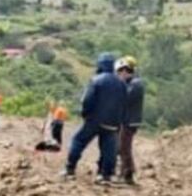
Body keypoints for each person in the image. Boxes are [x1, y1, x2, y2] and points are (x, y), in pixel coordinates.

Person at [62, 54, 127, 185]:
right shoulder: (122, 83)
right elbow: (124, 104)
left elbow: (87, 100)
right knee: (109, 150)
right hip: (112, 123)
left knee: (78, 141)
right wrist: (119, 122)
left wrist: (86, 114)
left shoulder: (96, 80)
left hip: (94, 120)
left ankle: (70, 169)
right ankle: (105, 176)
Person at [116, 56, 146, 185]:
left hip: (130, 121)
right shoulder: (133, 83)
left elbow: (125, 99)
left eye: (120, 71)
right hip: (127, 120)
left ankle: (127, 174)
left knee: (124, 147)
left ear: (125, 70)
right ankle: (126, 172)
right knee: (122, 147)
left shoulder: (136, 84)